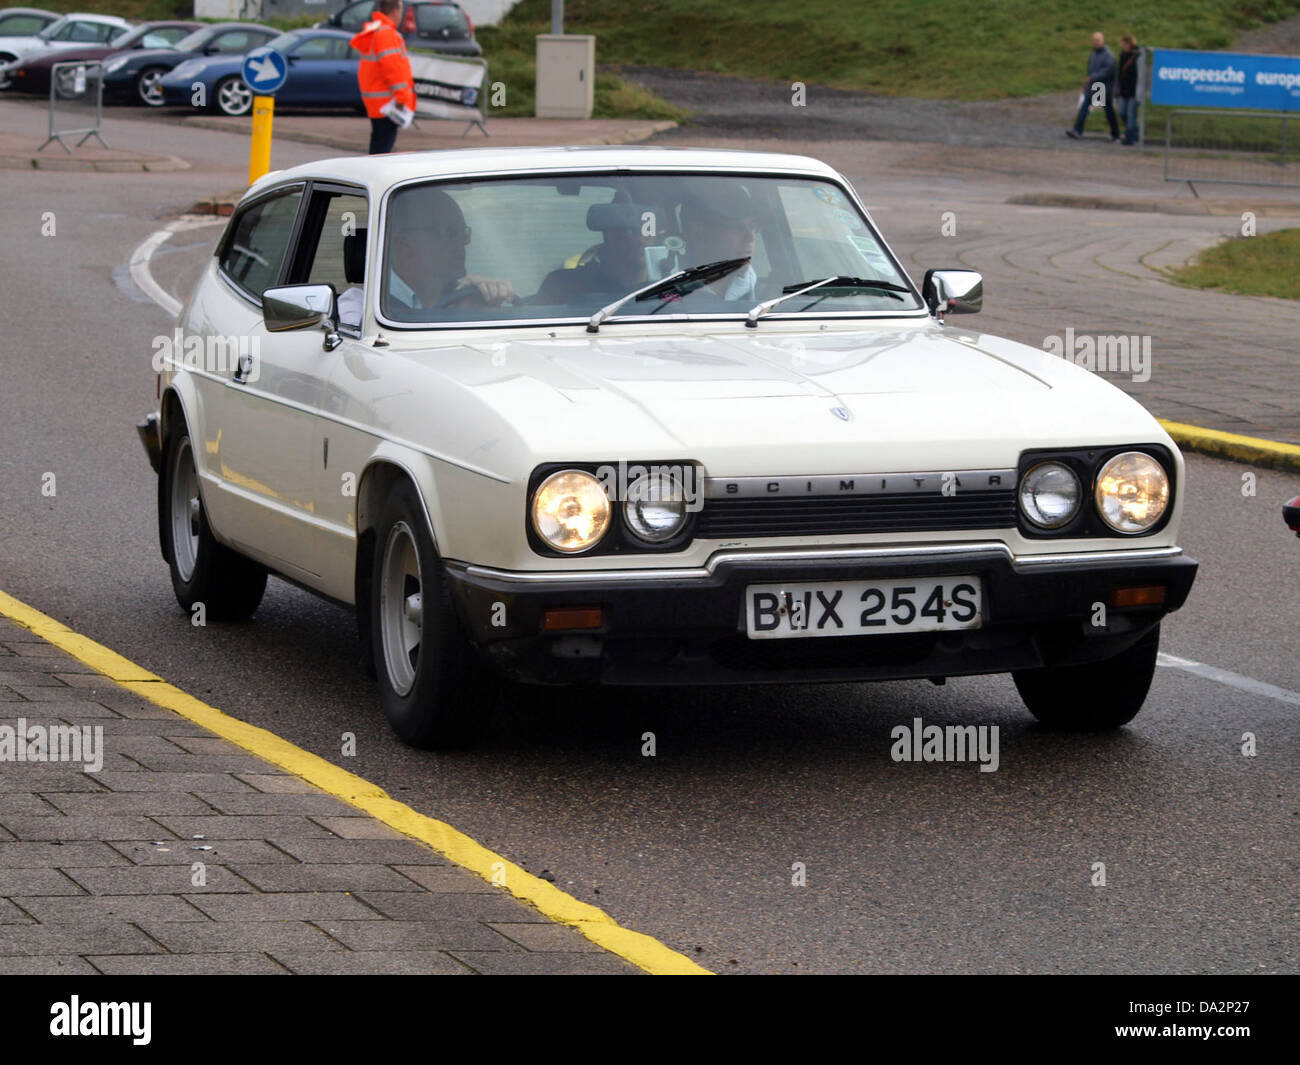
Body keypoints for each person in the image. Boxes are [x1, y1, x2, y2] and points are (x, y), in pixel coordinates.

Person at [337, 187, 514, 326]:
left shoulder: (467, 296)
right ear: (405, 244)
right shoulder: (360, 306)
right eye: (450, 233)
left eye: (463, 233)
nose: (462, 243)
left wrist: (489, 307)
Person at [351, 0, 416, 156]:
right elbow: (393, 70)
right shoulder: (387, 34)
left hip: (376, 103)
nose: (401, 15)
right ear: (394, 12)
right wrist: (402, 99)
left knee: (377, 149)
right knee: (382, 154)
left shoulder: (375, 31)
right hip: (389, 105)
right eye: (401, 11)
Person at [676, 190, 758, 301]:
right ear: (698, 233)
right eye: (737, 228)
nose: (750, 238)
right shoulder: (666, 285)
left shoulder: (748, 279)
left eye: (752, 226)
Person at [1065, 32, 1120, 142]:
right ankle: (1078, 130)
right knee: (1087, 108)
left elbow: (1108, 71)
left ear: (1103, 41)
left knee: (1107, 111)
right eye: (1094, 40)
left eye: (1098, 40)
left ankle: (1115, 133)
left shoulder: (1108, 55)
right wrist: (1087, 84)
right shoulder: (1094, 54)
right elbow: (1090, 69)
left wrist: (1092, 77)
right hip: (1095, 86)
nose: (1095, 42)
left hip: (1103, 87)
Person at [1116, 34, 1141, 145]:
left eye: (1125, 44)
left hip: (1134, 91)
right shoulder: (1123, 55)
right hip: (1124, 90)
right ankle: (1135, 132)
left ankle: (1129, 137)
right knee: (1122, 112)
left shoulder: (1138, 55)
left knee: (1131, 114)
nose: (1123, 46)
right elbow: (1120, 72)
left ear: (1130, 44)